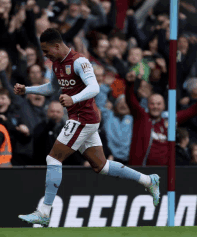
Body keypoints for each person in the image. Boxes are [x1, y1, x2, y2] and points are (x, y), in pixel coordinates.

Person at [14, 28, 160, 226]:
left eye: (47, 51)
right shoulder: (57, 64)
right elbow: (53, 88)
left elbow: (94, 87)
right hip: (79, 118)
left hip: (84, 118)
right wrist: (27, 89)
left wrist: (73, 98)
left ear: (57, 45)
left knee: (53, 157)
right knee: (101, 166)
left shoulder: (79, 61)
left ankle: (44, 212)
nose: (45, 55)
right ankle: (148, 181)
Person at [125, 71, 197, 166]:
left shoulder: (169, 121)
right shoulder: (142, 117)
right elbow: (131, 100)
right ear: (148, 105)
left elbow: (191, 111)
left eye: (159, 104)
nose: (155, 106)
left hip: (165, 172)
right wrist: (130, 84)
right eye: (152, 104)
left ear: (163, 106)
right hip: (142, 170)